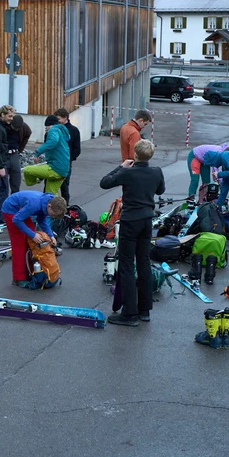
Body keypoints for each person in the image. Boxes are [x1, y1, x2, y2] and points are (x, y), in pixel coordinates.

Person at [100, 139, 165, 327]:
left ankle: (129, 313)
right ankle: (145, 309)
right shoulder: (156, 171)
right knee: (144, 262)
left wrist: (121, 167)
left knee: (127, 265)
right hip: (147, 220)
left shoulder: (128, 173)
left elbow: (104, 183)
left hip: (130, 221)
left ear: (135, 154)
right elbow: (161, 189)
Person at [0, 191, 66, 288]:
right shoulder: (34, 204)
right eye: (53, 214)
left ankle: (32, 272)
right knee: (20, 246)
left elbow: (41, 220)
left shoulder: (47, 204)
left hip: (22, 210)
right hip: (11, 210)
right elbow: (16, 220)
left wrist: (51, 235)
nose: (53, 217)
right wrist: (32, 234)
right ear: (49, 205)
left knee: (31, 243)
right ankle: (18, 278)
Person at [23, 115, 70, 195]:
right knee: (50, 195)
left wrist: (37, 152)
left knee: (27, 170)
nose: (46, 129)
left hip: (55, 168)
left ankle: (34, 181)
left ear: (50, 125)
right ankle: (58, 207)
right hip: (64, 170)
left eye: (46, 127)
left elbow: (53, 141)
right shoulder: (61, 132)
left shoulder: (53, 130)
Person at [56, 108, 82, 202]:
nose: (57, 121)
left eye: (58, 119)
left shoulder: (74, 130)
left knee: (64, 186)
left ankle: (64, 208)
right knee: (49, 186)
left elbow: (77, 149)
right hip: (54, 162)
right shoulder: (55, 129)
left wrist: (68, 159)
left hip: (66, 163)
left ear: (65, 118)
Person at [8, 115, 32, 193]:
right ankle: (3, 203)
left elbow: (28, 133)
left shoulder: (24, 127)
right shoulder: (5, 125)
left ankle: (14, 200)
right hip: (3, 154)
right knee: (2, 183)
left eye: (18, 128)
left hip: (15, 153)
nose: (16, 129)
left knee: (16, 178)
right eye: (15, 128)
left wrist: (20, 150)